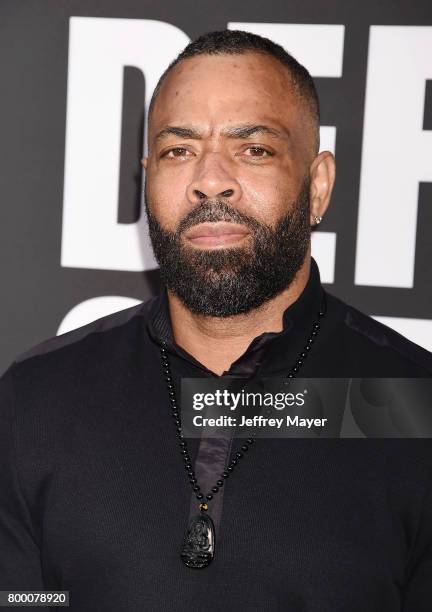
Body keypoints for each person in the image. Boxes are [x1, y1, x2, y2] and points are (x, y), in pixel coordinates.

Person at [0, 29, 431, 611]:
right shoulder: (37, 398)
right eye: (179, 150)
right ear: (146, 179)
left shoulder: (412, 406)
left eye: (253, 148)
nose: (209, 180)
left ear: (318, 186)